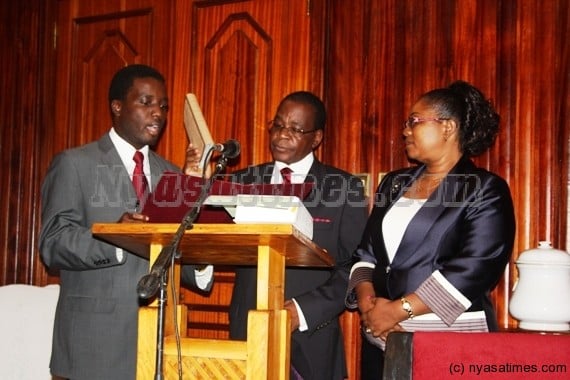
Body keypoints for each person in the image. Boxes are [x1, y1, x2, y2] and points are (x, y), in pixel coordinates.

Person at [39, 64, 213, 380]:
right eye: (146, 102)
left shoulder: (173, 175)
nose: (157, 113)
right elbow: (52, 243)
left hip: (158, 345)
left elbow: (171, 251)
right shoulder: (75, 164)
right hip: (92, 348)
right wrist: (117, 238)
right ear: (117, 107)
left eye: (163, 106)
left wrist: (204, 258)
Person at [185, 91, 368, 379]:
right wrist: (195, 189)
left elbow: (355, 267)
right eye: (278, 125)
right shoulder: (240, 181)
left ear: (316, 138)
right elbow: (210, 244)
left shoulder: (344, 188)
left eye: (295, 129)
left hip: (312, 341)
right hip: (246, 336)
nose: (282, 135)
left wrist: (301, 310)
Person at [345, 80, 516, 379]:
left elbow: (475, 268)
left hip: (450, 343)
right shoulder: (393, 183)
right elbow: (366, 254)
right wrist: (369, 306)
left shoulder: (485, 189)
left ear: (447, 127)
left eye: (413, 121)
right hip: (381, 338)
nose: (405, 131)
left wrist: (399, 310)